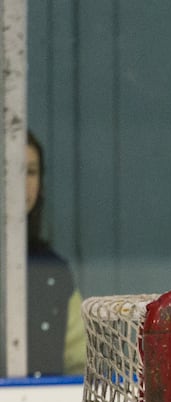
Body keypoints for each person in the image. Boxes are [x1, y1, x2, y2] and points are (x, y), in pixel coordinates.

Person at [24, 131, 87, 377]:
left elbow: (80, 362)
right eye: (10, 170)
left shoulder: (53, 271)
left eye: (30, 172)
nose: (22, 183)